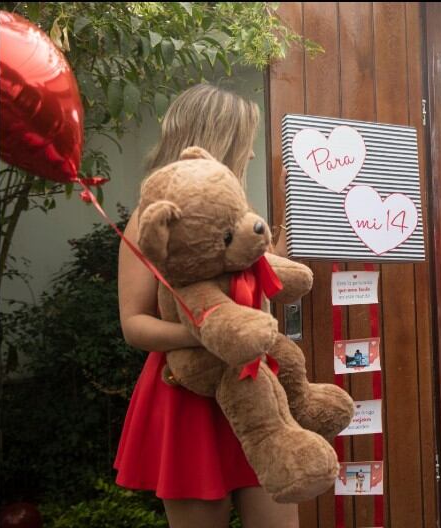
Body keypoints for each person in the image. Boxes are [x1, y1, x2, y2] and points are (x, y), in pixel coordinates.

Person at [113, 83, 298, 528]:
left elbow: (249, 305)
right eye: (246, 142)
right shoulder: (152, 218)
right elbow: (134, 324)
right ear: (222, 140)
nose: (251, 155)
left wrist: (279, 266)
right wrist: (210, 333)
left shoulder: (242, 218)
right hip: (187, 398)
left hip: (253, 390)